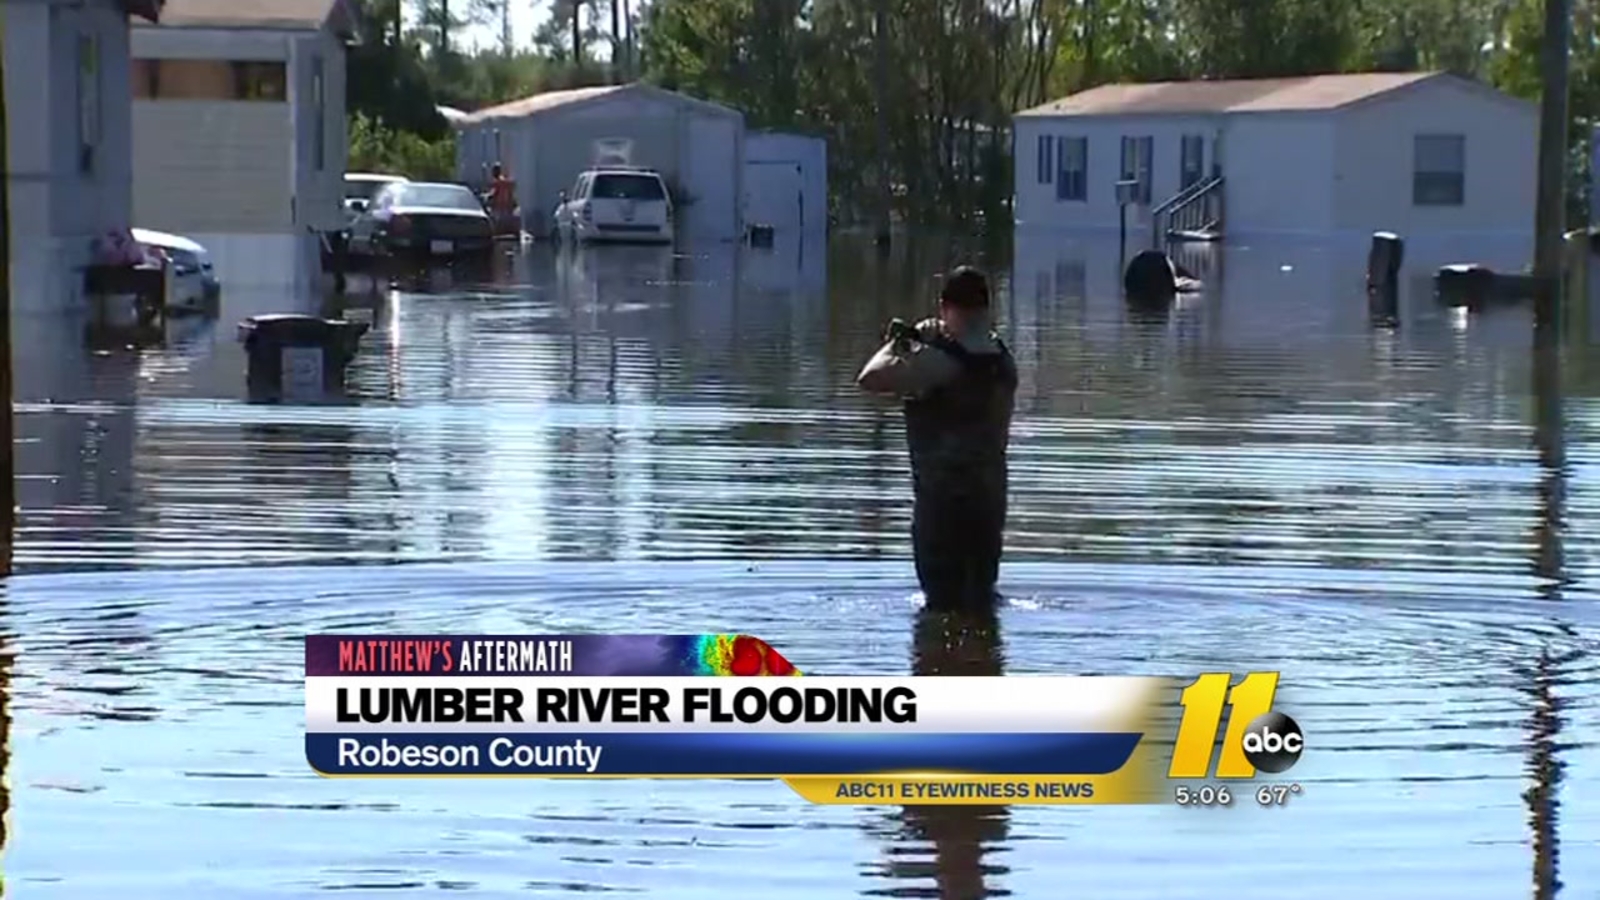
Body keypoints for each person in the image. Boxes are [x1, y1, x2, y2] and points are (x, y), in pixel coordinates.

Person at [856, 266, 1017, 611]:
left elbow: (869, 378)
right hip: (989, 508)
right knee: (982, 606)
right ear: (988, 309)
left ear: (944, 307)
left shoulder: (937, 362)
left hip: (942, 513)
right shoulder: (1004, 362)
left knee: (940, 612)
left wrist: (902, 342)